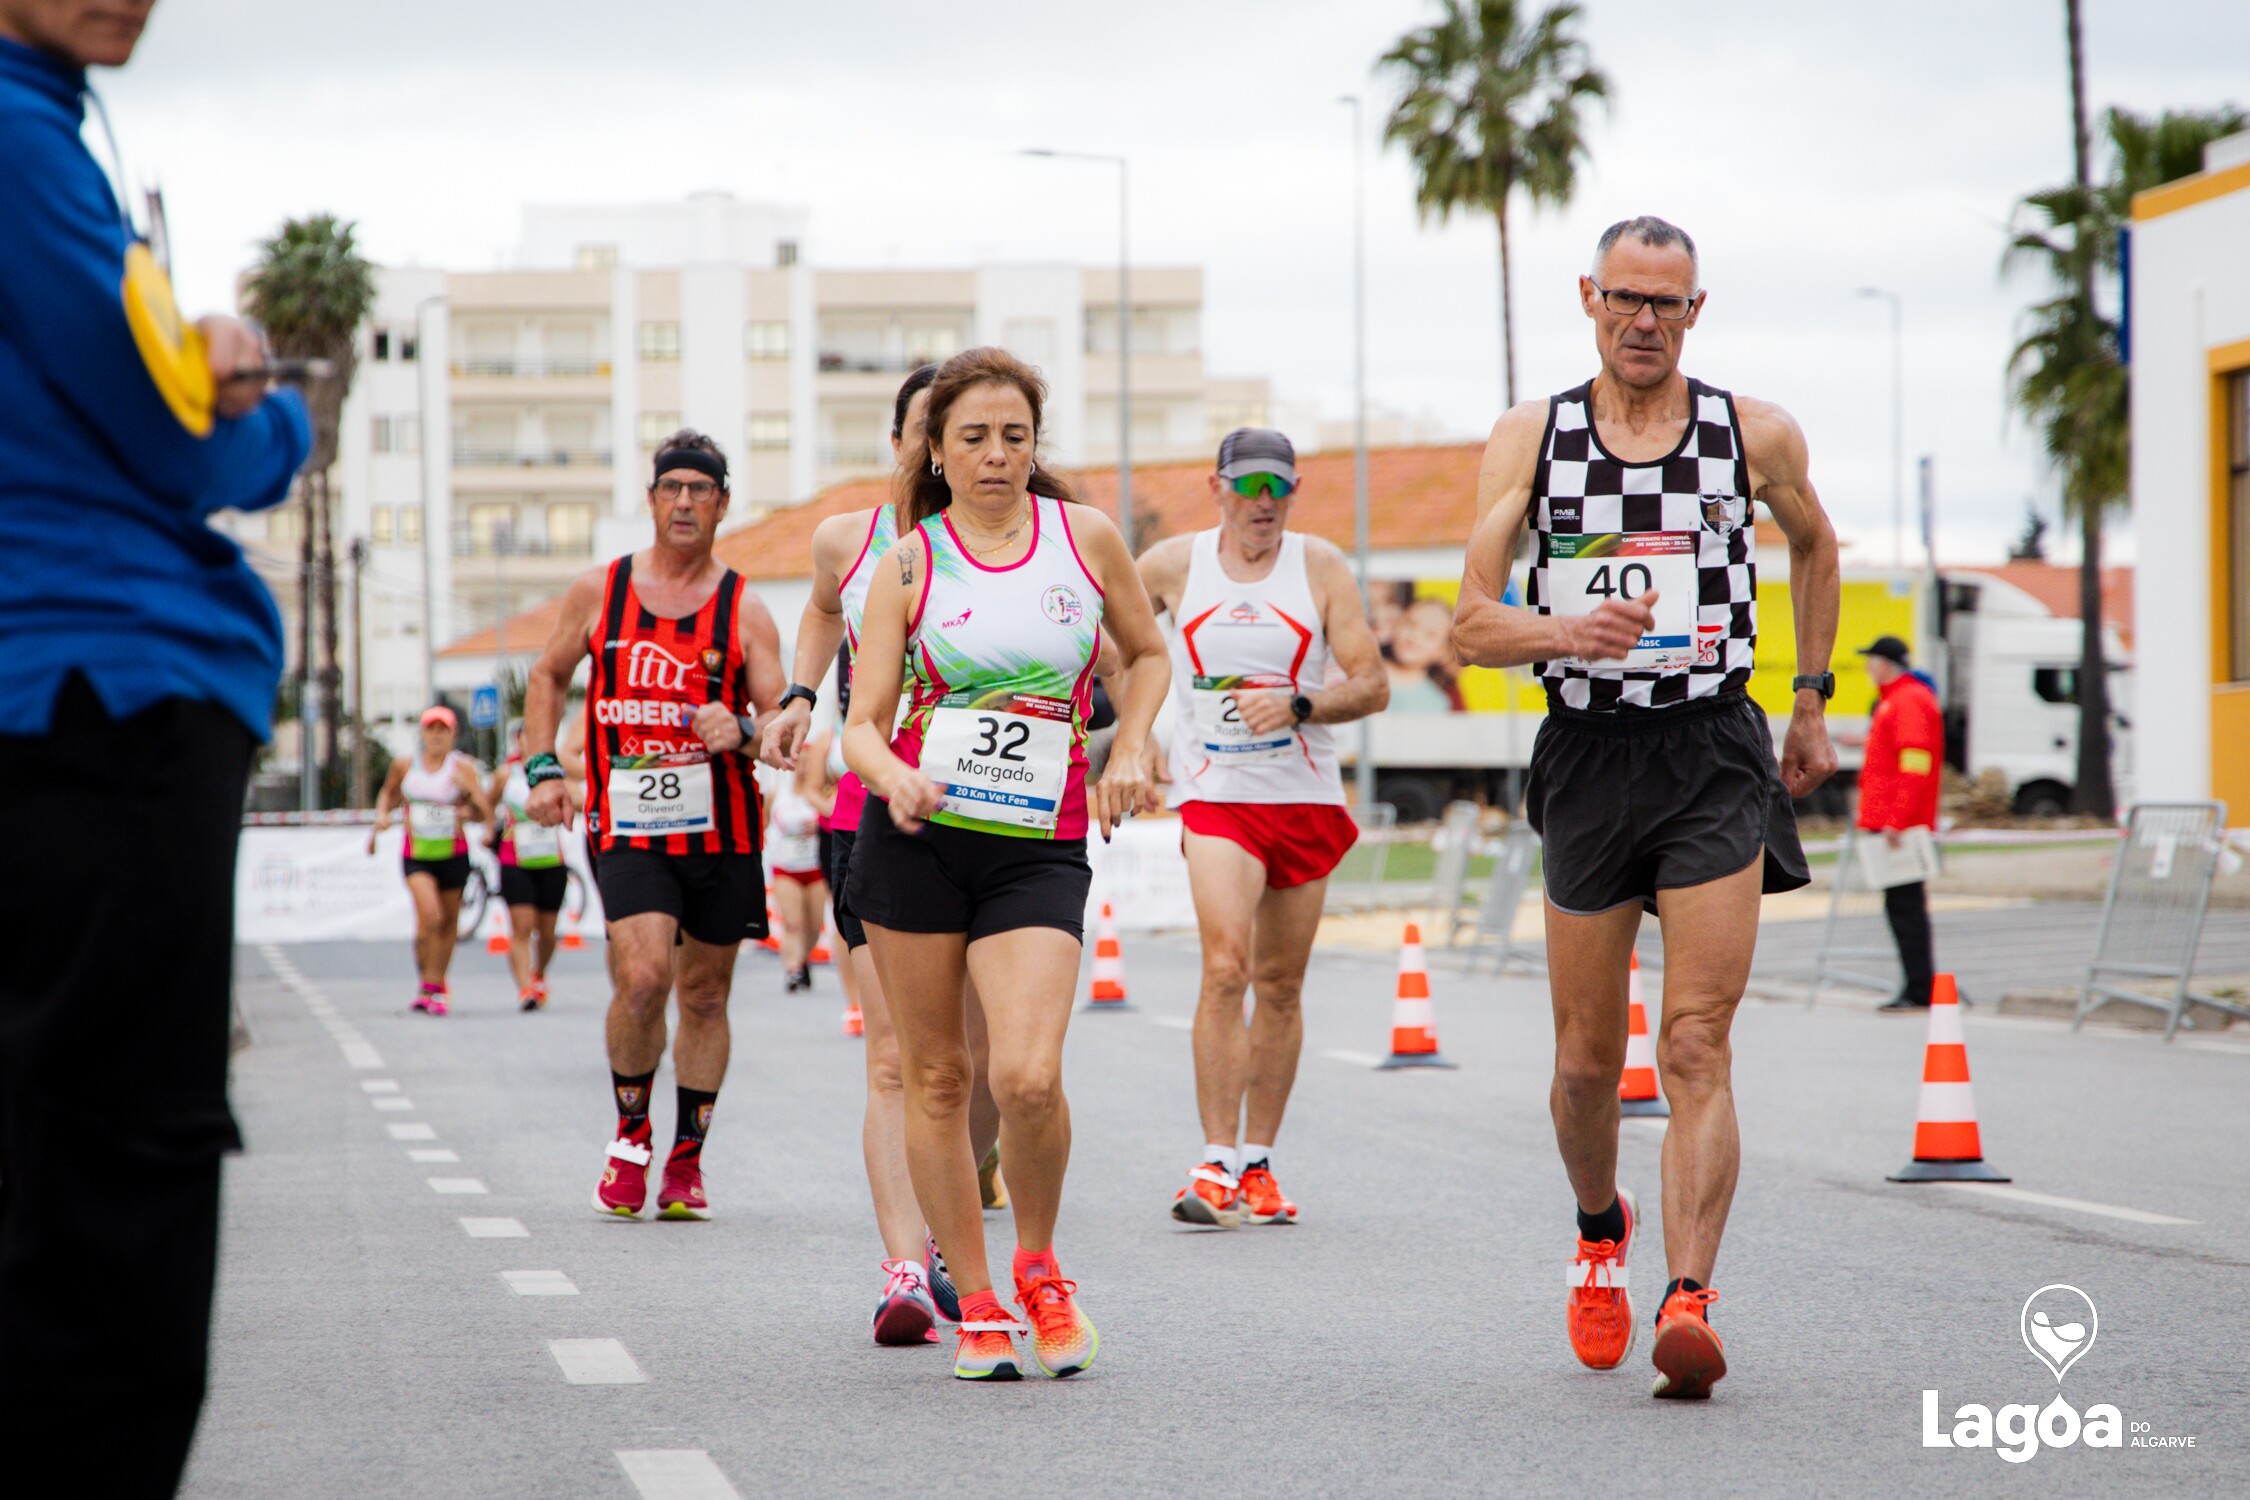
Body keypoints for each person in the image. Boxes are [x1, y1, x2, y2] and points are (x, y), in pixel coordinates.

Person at [0, 3, 313, 1487]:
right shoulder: (21, 141)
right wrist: (265, 398)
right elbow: (179, 435)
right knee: (117, 1172)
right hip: (95, 698)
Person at [1451, 216, 1839, 1400]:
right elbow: (1468, 623)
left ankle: (1691, 1296)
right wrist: (1563, 630)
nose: (1643, 322)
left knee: (1695, 1038)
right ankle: (1599, 1231)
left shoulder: (1751, 432)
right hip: (1590, 753)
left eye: (1665, 304)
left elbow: (1817, 549)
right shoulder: (1534, 437)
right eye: (1624, 298)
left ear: (1694, 312)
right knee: (1583, 1061)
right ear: (1588, 298)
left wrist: (1809, 700)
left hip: (1714, 747)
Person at [842, 346, 1168, 1381]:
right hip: (917, 843)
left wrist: (1137, 741)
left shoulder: (1087, 539)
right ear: (935, 450)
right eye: (973, 437)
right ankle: (975, 1300)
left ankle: (1037, 1264)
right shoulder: (907, 565)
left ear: (1037, 445)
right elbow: (860, 722)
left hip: (1038, 844)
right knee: (938, 1078)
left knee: (1024, 1077)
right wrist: (890, 775)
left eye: (1015, 436)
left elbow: (1148, 655)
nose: (996, 455)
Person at [763, 364, 1014, 1346]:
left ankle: (958, 1227)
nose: (933, 448)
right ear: (907, 443)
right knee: (898, 1058)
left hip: (993, 826)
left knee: (986, 1063)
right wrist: (797, 693)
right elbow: (824, 608)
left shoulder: (1016, 544)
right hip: (873, 820)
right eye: (919, 431)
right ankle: (906, 1268)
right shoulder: (849, 540)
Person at [522, 430, 785, 1222]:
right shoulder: (600, 591)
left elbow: (780, 721)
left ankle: (686, 1159)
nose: (683, 502)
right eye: (671, 487)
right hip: (628, 822)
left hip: (723, 830)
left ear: (722, 504)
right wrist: (541, 767)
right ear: (650, 499)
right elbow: (546, 673)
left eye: (699, 490)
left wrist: (738, 726)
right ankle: (631, 1134)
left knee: (704, 994)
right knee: (642, 978)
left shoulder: (746, 608)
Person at [1135, 427, 1388, 1229]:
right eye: (1248, 488)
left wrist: (1300, 703)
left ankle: (1259, 1163)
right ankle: (1213, 1158)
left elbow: (1373, 683)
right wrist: (1134, 739)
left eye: (1278, 488)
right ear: (1217, 489)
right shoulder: (1174, 565)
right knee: (1225, 965)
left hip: (1304, 794)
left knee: (1279, 986)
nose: (1264, 504)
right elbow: (1116, 651)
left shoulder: (1319, 567)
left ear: (1294, 491)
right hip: (1218, 793)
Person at [370, 706, 492, 1014]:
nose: (436, 736)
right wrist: (383, 814)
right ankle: (426, 980)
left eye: (443, 730)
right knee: (430, 917)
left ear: (453, 735)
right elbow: (387, 794)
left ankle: (434, 987)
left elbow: (482, 812)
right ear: (422, 734)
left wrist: (470, 802)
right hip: (417, 855)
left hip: (454, 854)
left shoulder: (463, 768)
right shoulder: (405, 765)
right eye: (431, 729)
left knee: (448, 923)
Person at [1855, 635, 1943, 1012]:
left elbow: (1916, 764)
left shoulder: (1906, 700)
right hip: (1893, 821)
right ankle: (1916, 984)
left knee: (1906, 909)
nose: (1868, 669)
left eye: (1871, 661)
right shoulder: (1897, 699)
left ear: (1885, 663)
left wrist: (1897, 819)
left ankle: (1920, 988)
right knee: (1901, 907)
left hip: (1899, 827)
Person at [490, 721, 574, 1011]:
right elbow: (487, 803)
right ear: (518, 739)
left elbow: (577, 796)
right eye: (527, 735)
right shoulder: (507, 773)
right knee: (521, 927)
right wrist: (490, 828)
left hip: (551, 858)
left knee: (548, 931)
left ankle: (539, 974)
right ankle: (525, 987)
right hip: (515, 859)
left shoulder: (556, 772)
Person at [766, 737, 831, 993]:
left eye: (808, 763)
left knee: (813, 926)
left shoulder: (820, 795)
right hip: (786, 868)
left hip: (814, 868)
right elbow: (764, 827)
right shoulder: (777, 795)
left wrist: (819, 826)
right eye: (799, 763)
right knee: (793, 923)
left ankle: (803, 960)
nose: (803, 768)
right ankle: (793, 970)